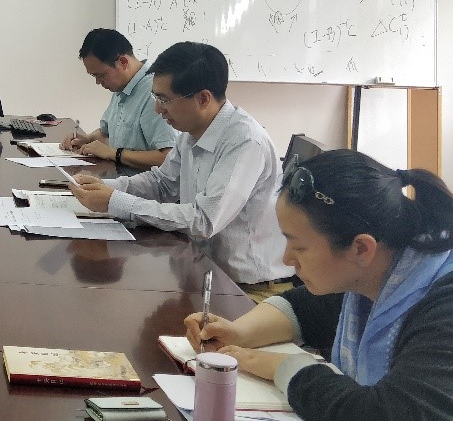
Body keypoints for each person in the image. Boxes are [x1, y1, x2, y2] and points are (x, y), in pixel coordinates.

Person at [184, 150, 453, 421]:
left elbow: (383, 413)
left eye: (299, 247)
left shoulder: (443, 309)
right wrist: (239, 332)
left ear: (361, 248)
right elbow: (308, 308)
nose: (287, 259)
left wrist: (283, 367)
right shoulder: (383, 269)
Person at [70, 41, 293, 298]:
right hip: (203, 272)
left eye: (164, 100)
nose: (157, 109)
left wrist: (115, 201)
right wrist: (105, 187)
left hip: (248, 291)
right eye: (155, 98)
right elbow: (162, 183)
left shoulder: (244, 141)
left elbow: (203, 221)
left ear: (203, 99)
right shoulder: (192, 131)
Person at [60, 28, 176, 171]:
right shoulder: (122, 86)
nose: (98, 82)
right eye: (94, 76)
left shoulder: (154, 93)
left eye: (101, 75)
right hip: (120, 178)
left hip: (143, 183)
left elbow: (168, 157)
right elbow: (107, 131)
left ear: (123, 62)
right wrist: (86, 139)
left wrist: (115, 154)